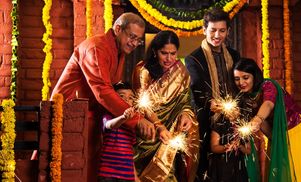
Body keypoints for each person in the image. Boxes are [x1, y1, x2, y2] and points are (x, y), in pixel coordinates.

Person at [50, 13, 155, 181]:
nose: (134, 43)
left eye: (138, 40)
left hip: (90, 119)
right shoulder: (97, 47)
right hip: (69, 116)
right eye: (132, 37)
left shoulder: (117, 50)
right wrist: (136, 119)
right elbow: (103, 92)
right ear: (118, 29)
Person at [233, 58, 301, 182]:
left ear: (254, 76)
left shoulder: (268, 85)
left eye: (245, 77)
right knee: (279, 169)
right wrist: (275, 140)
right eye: (237, 79)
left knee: (297, 169)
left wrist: (257, 120)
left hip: (296, 128)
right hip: (277, 134)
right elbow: (263, 125)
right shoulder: (245, 98)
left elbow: (268, 104)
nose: (241, 82)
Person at [132, 30, 200, 182]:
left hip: (171, 133)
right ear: (155, 51)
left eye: (173, 53)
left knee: (168, 173)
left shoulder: (181, 71)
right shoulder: (142, 70)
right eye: (164, 53)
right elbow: (142, 104)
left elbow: (185, 102)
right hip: (148, 133)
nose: (169, 58)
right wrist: (159, 126)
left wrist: (186, 114)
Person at [184, 8, 240, 181]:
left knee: (233, 168)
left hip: (233, 120)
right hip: (207, 121)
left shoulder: (234, 55)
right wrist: (213, 104)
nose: (217, 35)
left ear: (228, 31)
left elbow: (241, 83)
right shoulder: (193, 59)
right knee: (206, 171)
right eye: (213, 30)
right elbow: (197, 88)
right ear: (204, 30)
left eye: (222, 31)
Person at [98, 82, 140, 182]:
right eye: (121, 96)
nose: (126, 100)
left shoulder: (131, 126)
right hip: (108, 174)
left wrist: (135, 176)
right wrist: (123, 117)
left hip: (127, 176)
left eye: (131, 98)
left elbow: (129, 153)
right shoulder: (108, 116)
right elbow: (110, 125)